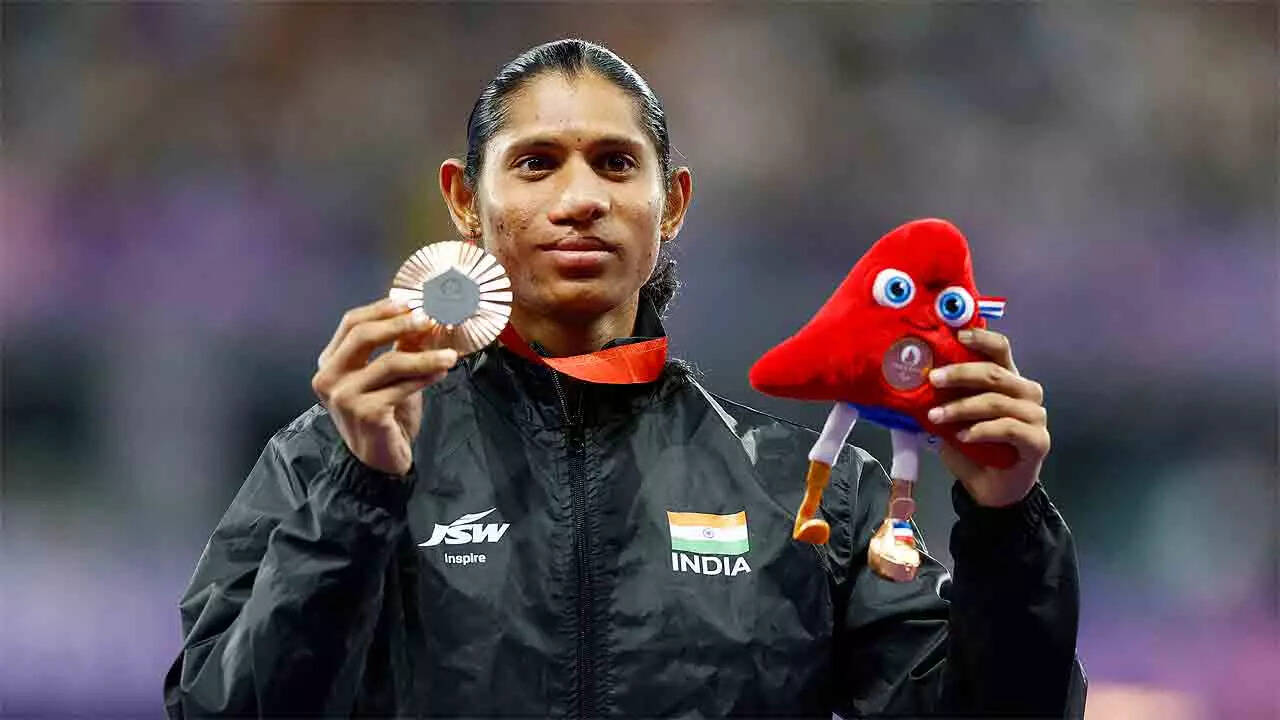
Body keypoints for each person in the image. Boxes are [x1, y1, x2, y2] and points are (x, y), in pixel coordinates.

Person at [164, 39, 1086, 718]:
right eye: (535, 165)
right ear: (465, 201)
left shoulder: (807, 491)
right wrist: (360, 492)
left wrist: (1005, 522)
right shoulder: (332, 458)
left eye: (615, 164)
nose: (579, 201)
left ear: (670, 204)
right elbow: (224, 709)